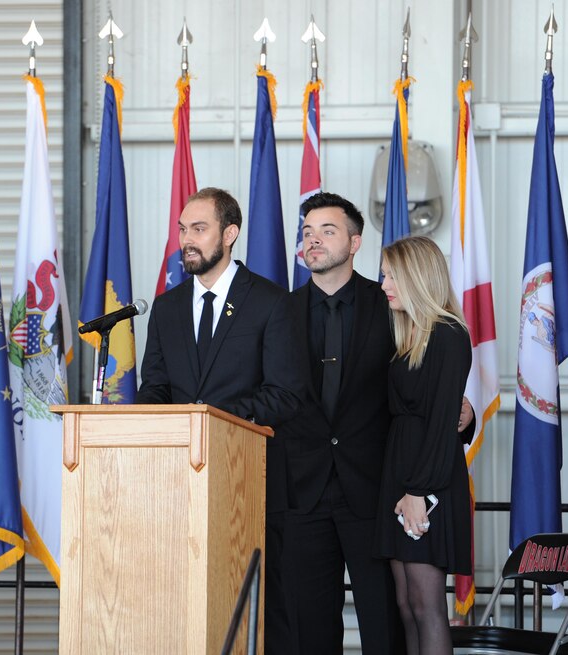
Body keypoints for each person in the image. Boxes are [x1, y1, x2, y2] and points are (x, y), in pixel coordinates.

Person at [278, 192, 475, 655]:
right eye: (307, 232)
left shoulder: (392, 307)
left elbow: (434, 392)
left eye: (327, 231)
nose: (313, 240)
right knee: (311, 628)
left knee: (393, 620)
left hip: (376, 490)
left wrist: (459, 417)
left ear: (355, 241)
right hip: (302, 494)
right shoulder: (278, 312)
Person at [136, 187, 301, 654]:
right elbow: (156, 389)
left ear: (230, 234)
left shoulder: (270, 302)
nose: (187, 239)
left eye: (199, 229)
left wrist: (217, 421)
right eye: (183, 229)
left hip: (250, 485)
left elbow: (286, 395)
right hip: (178, 490)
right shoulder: (166, 309)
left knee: (262, 616)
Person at [375, 235, 473, 655]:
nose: (384, 285)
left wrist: (419, 493)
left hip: (426, 482)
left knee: (427, 604)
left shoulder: (448, 334)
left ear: (417, 277)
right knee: (405, 604)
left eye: (391, 275)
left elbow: (439, 423)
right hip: (398, 474)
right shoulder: (405, 336)